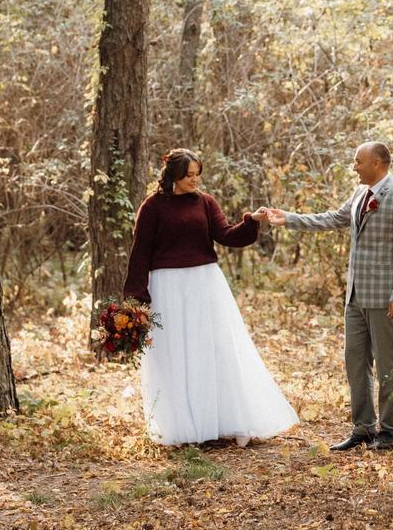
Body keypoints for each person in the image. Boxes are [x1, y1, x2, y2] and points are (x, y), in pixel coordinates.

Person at [123, 148, 298, 448]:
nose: (194, 180)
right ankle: (183, 427)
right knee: (176, 352)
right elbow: (141, 250)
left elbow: (228, 235)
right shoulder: (152, 207)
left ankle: (223, 419)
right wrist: (136, 295)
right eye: (188, 175)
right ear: (173, 176)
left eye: (197, 174)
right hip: (168, 285)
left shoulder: (205, 203)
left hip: (204, 283)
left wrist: (251, 221)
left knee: (214, 348)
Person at [256, 141, 393, 452]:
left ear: (378, 163)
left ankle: (391, 431)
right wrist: (288, 218)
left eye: (359, 161)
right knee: (355, 362)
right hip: (356, 296)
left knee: (389, 365)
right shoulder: (361, 194)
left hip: (387, 299)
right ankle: (363, 427)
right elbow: (332, 218)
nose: (354, 166)